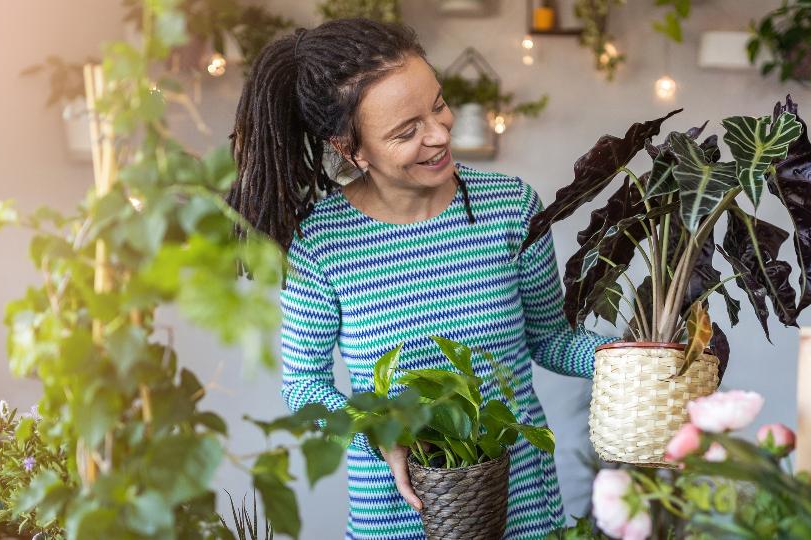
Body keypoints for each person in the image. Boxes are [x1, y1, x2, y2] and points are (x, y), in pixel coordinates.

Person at [226, 18, 621, 540]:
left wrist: (622, 358)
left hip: (520, 507)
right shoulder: (320, 244)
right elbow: (304, 386)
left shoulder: (510, 208)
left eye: (437, 106)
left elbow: (549, 339)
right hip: (394, 517)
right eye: (406, 131)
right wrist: (375, 432)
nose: (439, 134)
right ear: (351, 150)